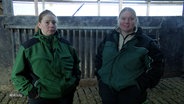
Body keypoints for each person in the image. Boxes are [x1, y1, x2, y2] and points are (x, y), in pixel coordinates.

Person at [95, 7, 164, 104]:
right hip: (107, 88)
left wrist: (140, 85)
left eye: (131, 19)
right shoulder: (110, 38)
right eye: (123, 18)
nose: (127, 22)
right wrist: (101, 78)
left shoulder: (146, 43)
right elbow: (99, 58)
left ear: (136, 21)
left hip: (130, 91)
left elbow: (157, 66)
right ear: (118, 20)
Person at [11, 10, 81, 104]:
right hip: (40, 96)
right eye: (47, 22)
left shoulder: (67, 46)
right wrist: (30, 91)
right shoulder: (28, 47)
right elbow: (17, 74)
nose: (51, 25)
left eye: (54, 22)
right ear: (39, 25)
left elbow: (76, 67)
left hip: (65, 96)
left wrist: (73, 83)